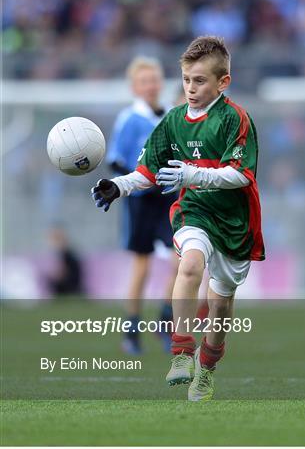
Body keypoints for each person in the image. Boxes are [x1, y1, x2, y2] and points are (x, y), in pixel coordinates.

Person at [92, 36, 265, 401]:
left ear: (223, 82)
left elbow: (241, 175)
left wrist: (192, 174)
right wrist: (118, 186)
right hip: (194, 211)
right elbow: (147, 170)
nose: (190, 88)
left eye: (199, 80)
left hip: (235, 224)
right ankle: (182, 351)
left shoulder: (236, 119)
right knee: (188, 266)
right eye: (186, 79)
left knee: (220, 308)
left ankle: (207, 367)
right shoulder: (172, 120)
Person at [106, 56, 178, 355]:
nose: (151, 86)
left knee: (182, 260)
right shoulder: (129, 118)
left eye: (154, 80)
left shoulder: (171, 116)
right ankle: (132, 330)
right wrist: (134, 182)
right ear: (135, 86)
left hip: (168, 198)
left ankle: (165, 320)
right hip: (140, 201)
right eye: (144, 81)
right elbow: (116, 160)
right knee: (142, 265)